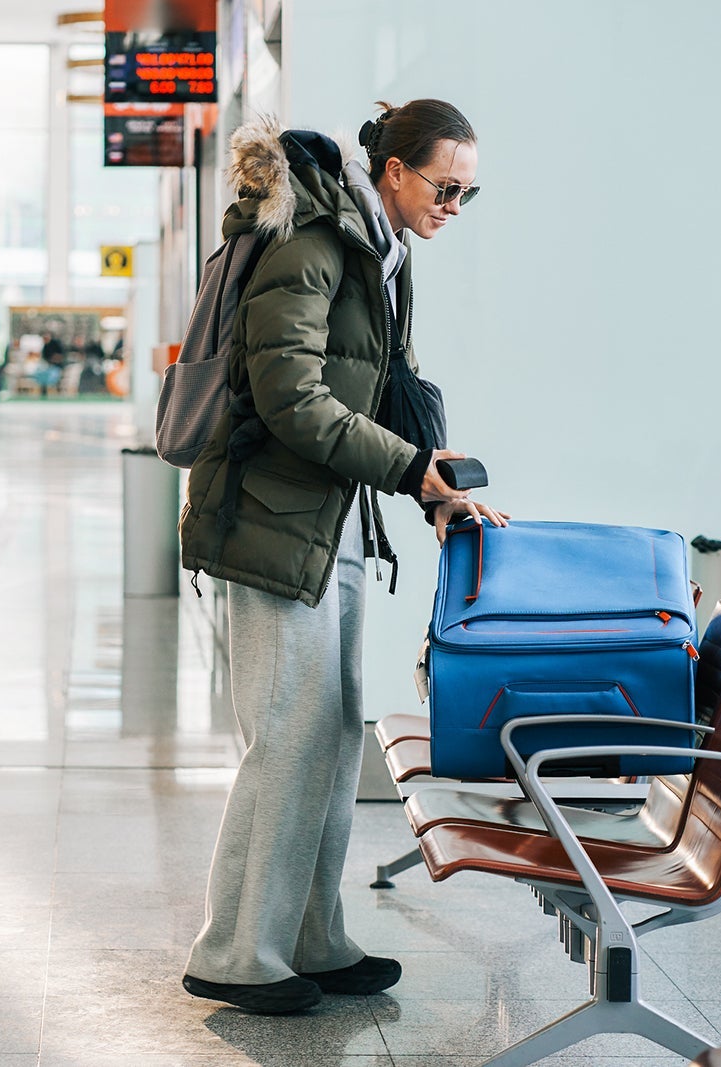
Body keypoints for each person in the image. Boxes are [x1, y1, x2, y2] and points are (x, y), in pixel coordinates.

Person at [176, 103, 508, 1015]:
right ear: (393, 170)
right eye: (446, 186)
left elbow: (385, 387)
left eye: (468, 192)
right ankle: (238, 951)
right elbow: (293, 399)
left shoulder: (377, 250)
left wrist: (428, 483)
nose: (453, 204)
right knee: (284, 737)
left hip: (332, 519)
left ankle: (310, 936)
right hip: (271, 521)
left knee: (328, 736)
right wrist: (410, 467)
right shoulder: (315, 243)